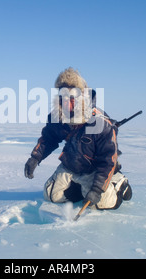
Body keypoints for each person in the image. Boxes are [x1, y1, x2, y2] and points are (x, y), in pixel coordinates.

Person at [24, 67, 132, 210]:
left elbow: (107, 160)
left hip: (96, 168)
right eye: (64, 95)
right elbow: (49, 138)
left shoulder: (101, 123)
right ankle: (81, 188)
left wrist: (97, 189)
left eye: (73, 95)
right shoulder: (57, 117)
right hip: (72, 165)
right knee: (51, 195)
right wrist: (35, 158)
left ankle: (118, 183)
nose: (68, 101)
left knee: (101, 203)